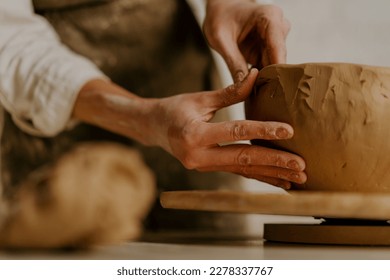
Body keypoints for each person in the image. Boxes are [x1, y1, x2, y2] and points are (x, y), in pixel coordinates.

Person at [0, 0, 306, 247]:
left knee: (208, 254)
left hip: (175, 71)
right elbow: (9, 37)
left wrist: (229, 4)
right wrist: (141, 116)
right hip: (48, 98)